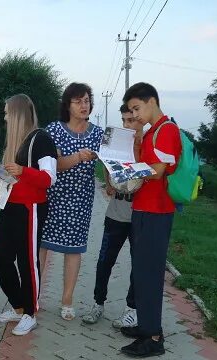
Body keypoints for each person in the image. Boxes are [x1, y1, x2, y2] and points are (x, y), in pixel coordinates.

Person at [119, 82, 182, 357]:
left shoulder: (166, 130)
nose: (135, 115)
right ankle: (146, 326)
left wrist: (129, 171)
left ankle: (154, 338)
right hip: (144, 209)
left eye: (137, 108)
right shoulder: (152, 132)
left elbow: (157, 171)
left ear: (152, 101)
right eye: (131, 110)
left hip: (157, 212)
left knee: (150, 274)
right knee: (142, 273)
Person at [0, 94, 58, 335]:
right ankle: (19, 306)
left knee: (28, 262)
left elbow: (49, 178)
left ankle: (30, 312)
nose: (5, 117)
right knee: (2, 258)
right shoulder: (15, 142)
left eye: (8, 112)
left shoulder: (41, 139)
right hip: (10, 206)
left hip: (31, 208)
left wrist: (23, 171)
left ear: (18, 114)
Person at [39, 82, 103, 320]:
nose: (83, 105)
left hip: (81, 200)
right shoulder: (53, 130)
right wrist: (77, 157)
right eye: (78, 101)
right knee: (41, 246)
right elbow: (52, 165)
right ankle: (34, 296)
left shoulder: (98, 133)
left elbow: (108, 164)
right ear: (67, 105)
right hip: (53, 197)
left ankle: (67, 300)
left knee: (74, 250)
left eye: (86, 100)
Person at [82, 104, 143, 327]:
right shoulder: (116, 143)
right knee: (105, 260)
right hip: (116, 213)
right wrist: (109, 180)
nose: (128, 125)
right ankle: (98, 303)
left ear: (142, 120)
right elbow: (108, 177)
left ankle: (132, 309)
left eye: (133, 120)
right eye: (125, 120)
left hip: (141, 217)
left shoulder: (148, 146)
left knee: (138, 264)